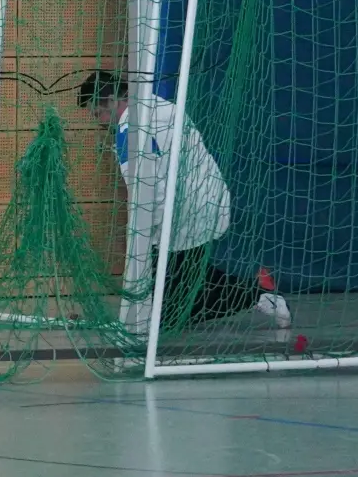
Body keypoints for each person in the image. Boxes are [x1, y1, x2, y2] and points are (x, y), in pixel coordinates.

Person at [78, 71, 290, 329]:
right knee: (182, 279)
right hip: (206, 200)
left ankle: (258, 295)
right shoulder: (159, 105)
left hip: (182, 213)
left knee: (173, 306)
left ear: (111, 100)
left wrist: (147, 233)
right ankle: (259, 291)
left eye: (97, 114)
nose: (101, 122)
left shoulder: (130, 129)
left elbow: (148, 187)